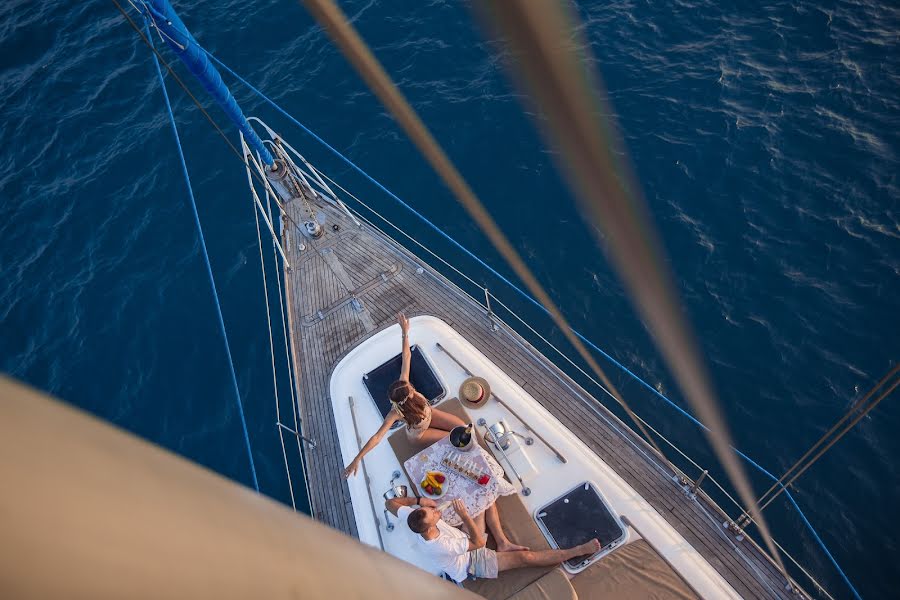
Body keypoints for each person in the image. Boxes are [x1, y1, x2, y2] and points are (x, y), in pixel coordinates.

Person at [344, 313, 466, 478]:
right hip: (419, 434)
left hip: (429, 415)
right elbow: (377, 437)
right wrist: (357, 459)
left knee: (462, 429)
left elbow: (406, 355)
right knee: (451, 440)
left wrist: (405, 332)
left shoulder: (406, 386)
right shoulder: (396, 413)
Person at [386, 496, 600, 583]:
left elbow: (390, 504)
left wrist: (417, 499)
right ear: (430, 526)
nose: (435, 511)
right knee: (525, 557)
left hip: (465, 540)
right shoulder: (443, 545)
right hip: (469, 564)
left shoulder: (411, 518)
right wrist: (464, 517)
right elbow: (477, 544)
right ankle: (577, 551)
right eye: (433, 514)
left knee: (484, 499)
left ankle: (503, 542)